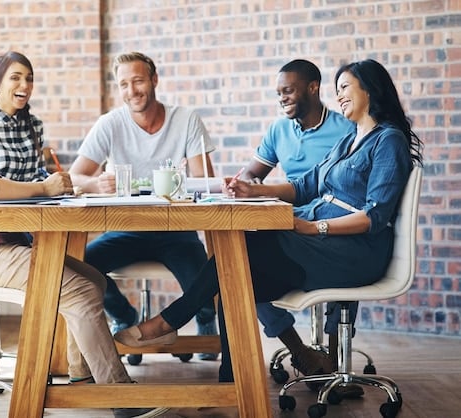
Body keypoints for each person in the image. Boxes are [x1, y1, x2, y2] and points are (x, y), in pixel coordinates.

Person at [115, 58, 423, 384]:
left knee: (241, 252)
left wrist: (312, 226)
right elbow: (307, 185)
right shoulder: (350, 140)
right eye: (338, 90)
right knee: (235, 271)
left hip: (355, 249)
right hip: (327, 238)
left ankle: (169, 323)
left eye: (345, 87)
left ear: (371, 89)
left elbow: (375, 216)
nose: (340, 95)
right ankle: (230, 379)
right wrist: (250, 190)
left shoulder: (387, 140)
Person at [0, 55, 168, 418]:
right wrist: (42, 186)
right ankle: (121, 397)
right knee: (76, 290)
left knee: (91, 280)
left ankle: (83, 379)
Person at [68, 51, 219, 360]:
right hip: (128, 229)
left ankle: (205, 320)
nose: (131, 91)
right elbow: (75, 175)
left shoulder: (185, 119)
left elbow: (204, 182)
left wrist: (190, 185)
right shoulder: (110, 124)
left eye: (137, 81)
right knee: (78, 267)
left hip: (176, 229)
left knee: (206, 284)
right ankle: (125, 316)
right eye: (123, 84)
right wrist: (96, 183)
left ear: (154, 80)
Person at [242, 58, 362, 389]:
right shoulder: (279, 130)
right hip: (288, 223)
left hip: (331, 221)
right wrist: (246, 182)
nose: (282, 98)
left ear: (313, 88)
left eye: (289, 90)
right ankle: (302, 352)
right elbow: (252, 172)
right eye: (278, 92)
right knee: (236, 261)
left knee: (346, 247)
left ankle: (338, 360)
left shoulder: (347, 129)